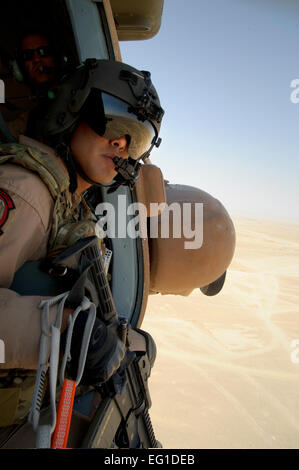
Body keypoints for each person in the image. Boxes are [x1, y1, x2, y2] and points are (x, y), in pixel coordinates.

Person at [0, 58, 164, 446]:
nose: (123, 143)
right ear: (71, 110)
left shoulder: (70, 204)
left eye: (137, 138)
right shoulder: (28, 192)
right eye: (115, 121)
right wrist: (66, 333)